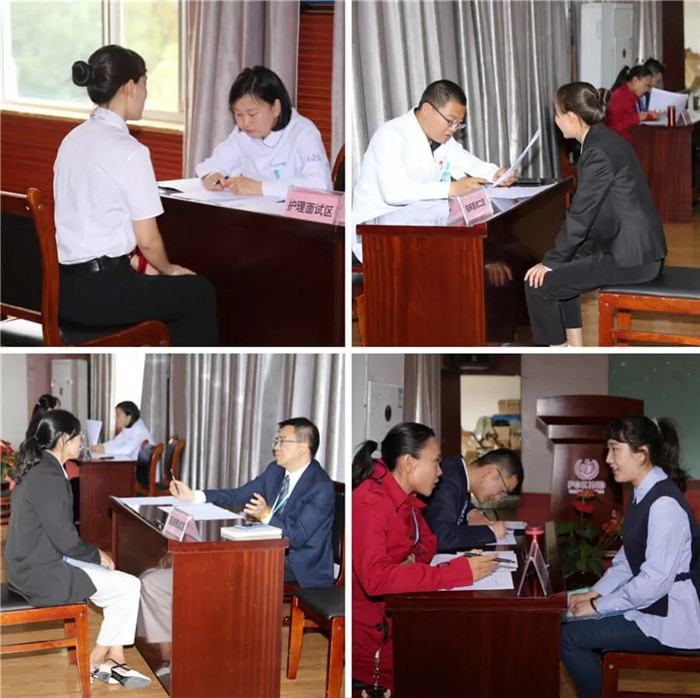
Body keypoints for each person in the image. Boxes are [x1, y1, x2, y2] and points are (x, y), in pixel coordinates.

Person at [55, 45, 218, 346]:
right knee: (199, 292)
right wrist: (169, 270)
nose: (146, 93)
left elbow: (92, 230)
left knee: (168, 290)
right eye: (145, 84)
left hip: (63, 293)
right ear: (130, 87)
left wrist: (146, 268)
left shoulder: (71, 140)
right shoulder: (130, 151)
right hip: (105, 295)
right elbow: (148, 241)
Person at [4, 410, 151, 688]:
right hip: (39, 573)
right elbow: (66, 540)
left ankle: (113, 657)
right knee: (129, 586)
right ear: (63, 439)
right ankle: (98, 658)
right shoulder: (48, 475)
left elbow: (60, 537)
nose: (82, 441)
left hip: (34, 562)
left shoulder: (43, 467)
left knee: (121, 583)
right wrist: (97, 554)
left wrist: (92, 557)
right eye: (78, 436)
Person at [352, 422, 498, 692]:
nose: (440, 472)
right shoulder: (370, 502)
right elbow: (376, 579)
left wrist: (410, 561)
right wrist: (455, 572)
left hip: (401, 616)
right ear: (409, 463)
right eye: (436, 462)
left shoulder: (404, 495)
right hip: (376, 645)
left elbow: (428, 542)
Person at [561, 415, 700, 698]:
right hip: (652, 605)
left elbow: (654, 583)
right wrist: (593, 594)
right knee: (569, 619)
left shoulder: (664, 505)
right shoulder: (642, 493)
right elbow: (626, 562)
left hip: (670, 618)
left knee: (570, 638)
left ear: (642, 454)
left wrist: (598, 606)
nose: (608, 459)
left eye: (615, 449)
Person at [524, 81, 667, 346]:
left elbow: (581, 213)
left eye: (556, 114)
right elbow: (594, 211)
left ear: (570, 117)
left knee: (540, 285)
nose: (555, 120)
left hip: (633, 258)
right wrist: (558, 257)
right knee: (561, 267)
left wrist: (551, 260)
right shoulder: (603, 139)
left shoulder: (597, 151)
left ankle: (559, 355)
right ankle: (575, 347)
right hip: (633, 247)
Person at [352, 78, 517, 253]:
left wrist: (495, 174)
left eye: (458, 124)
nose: (453, 129)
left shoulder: (441, 138)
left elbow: (465, 161)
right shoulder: (391, 135)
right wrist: (451, 188)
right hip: (377, 237)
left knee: (482, 248)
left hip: (419, 227)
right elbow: (393, 192)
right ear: (427, 109)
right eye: (450, 121)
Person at [170, 417, 334, 587]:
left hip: (298, 564)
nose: (276, 447)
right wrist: (194, 495)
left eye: (282, 441)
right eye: (276, 441)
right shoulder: (275, 470)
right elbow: (238, 495)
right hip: (268, 548)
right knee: (219, 558)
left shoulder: (320, 487)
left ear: (302, 447)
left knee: (231, 566)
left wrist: (265, 515)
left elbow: (297, 536)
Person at [196, 66, 332, 198]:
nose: (245, 123)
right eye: (238, 114)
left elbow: (320, 185)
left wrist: (260, 188)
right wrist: (210, 175)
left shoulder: (304, 132)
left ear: (276, 108)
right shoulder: (242, 133)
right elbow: (214, 164)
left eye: (252, 114)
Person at [423, 449, 523, 551]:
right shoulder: (448, 480)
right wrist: (488, 532)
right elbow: (441, 537)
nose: (497, 498)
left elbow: (456, 502)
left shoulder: (460, 476)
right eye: (502, 491)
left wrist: (472, 512)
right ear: (490, 472)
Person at [605, 64, 663, 143]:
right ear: (635, 80)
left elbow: (634, 117)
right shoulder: (619, 97)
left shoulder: (632, 95)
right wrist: (638, 118)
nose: (647, 89)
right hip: (618, 142)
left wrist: (652, 116)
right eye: (646, 86)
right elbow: (614, 128)